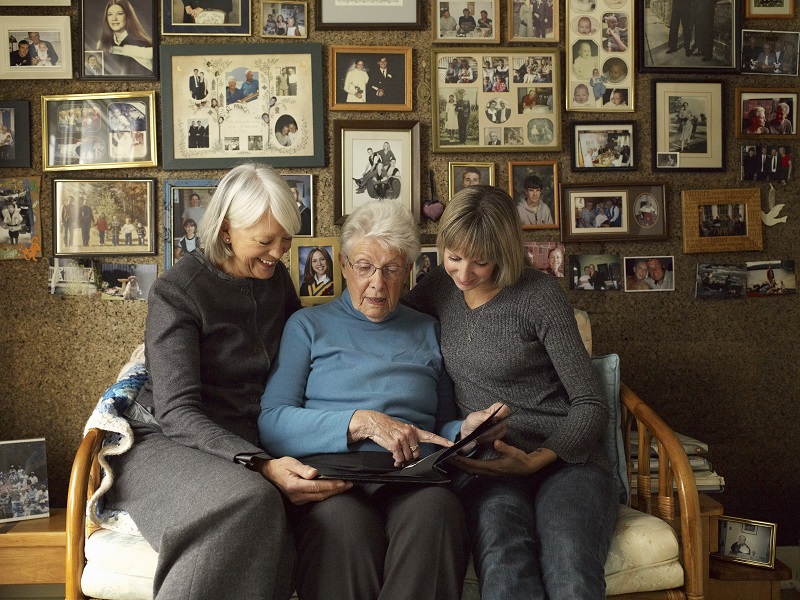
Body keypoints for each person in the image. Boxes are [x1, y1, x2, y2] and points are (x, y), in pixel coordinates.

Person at [103, 164, 348, 600]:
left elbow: (300, 363)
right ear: (227, 231)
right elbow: (177, 411)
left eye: (286, 239)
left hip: (252, 439)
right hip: (167, 443)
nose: (278, 252)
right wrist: (260, 463)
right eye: (265, 240)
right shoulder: (178, 290)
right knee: (253, 499)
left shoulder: (275, 281)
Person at [259, 200, 497, 600]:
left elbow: (442, 424)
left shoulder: (428, 330)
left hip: (411, 475)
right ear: (344, 265)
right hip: (333, 476)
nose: (377, 283)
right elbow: (271, 421)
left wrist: (467, 431)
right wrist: (359, 422)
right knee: (342, 529)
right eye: (365, 266)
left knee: (438, 513)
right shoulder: (307, 325)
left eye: (391, 269)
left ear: (408, 272)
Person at [405, 186, 616, 600]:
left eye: (481, 262)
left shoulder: (540, 296)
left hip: (567, 461)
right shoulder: (437, 289)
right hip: (489, 464)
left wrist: (538, 459)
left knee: (569, 560)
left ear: (503, 252)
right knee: (504, 559)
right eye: (454, 257)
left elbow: (591, 405)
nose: (464, 274)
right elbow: (386, 318)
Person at [96, 0, 153, 76]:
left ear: (128, 16)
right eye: (109, 14)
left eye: (119, 14)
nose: (114, 18)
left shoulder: (142, 44)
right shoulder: (103, 45)